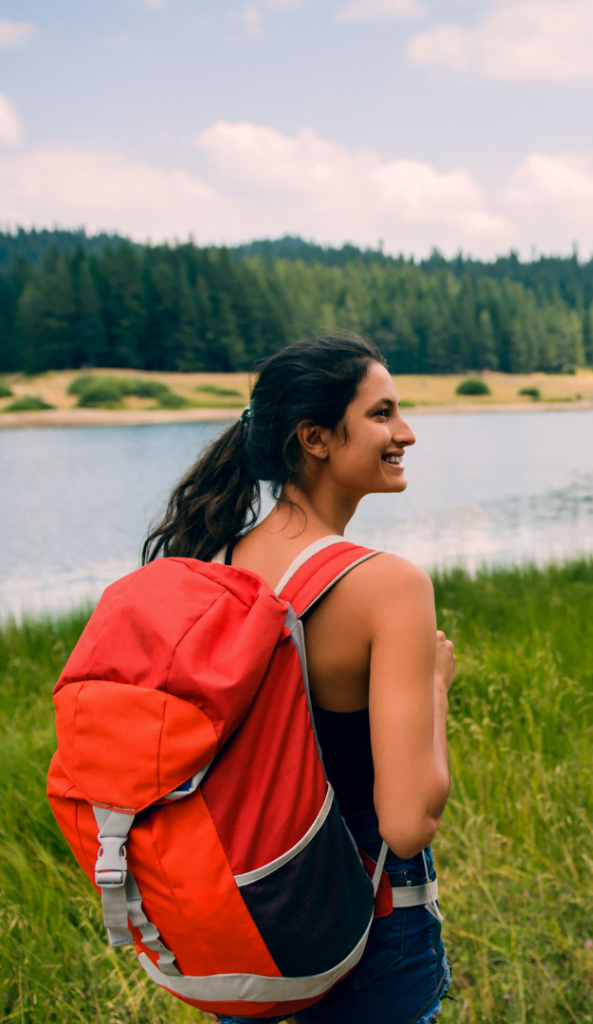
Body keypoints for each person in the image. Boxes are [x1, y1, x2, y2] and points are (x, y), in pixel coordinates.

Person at [143, 333, 455, 1024]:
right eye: (381, 413)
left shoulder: (211, 563)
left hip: (247, 917)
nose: (406, 432)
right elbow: (407, 825)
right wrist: (434, 691)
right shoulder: (388, 587)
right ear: (315, 437)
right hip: (367, 921)